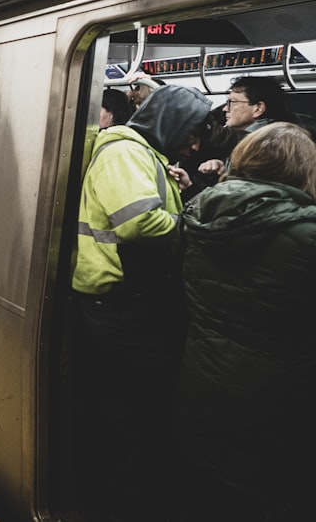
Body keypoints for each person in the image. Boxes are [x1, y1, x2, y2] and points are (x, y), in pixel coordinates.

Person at [70, 84, 212, 520]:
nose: (194, 144)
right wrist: (194, 226)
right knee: (131, 405)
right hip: (115, 300)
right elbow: (138, 224)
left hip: (125, 297)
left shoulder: (145, 156)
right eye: (191, 133)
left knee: (131, 401)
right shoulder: (124, 152)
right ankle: (125, 497)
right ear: (168, 122)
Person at [178, 122, 316, 521]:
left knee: (215, 482)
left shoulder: (199, 213)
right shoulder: (306, 234)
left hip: (203, 370)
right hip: (281, 389)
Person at [196, 75, 295, 183]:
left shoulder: (265, 146)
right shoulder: (275, 138)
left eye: (232, 102)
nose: (225, 109)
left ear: (258, 108)